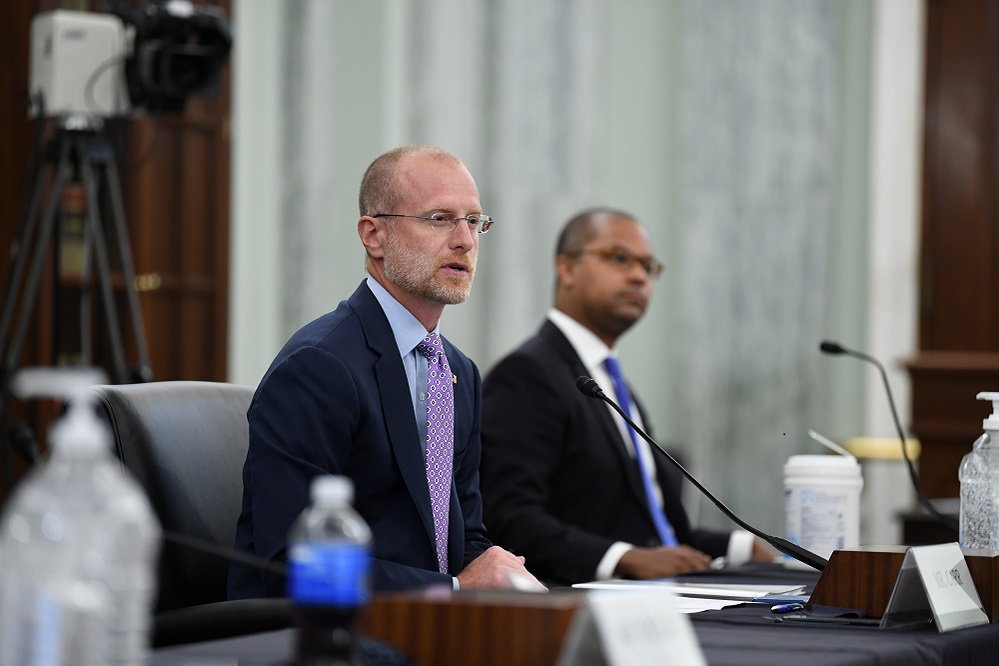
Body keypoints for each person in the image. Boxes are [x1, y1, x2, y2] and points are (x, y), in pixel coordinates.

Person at [228, 145, 544, 597]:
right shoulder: (319, 368)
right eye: (439, 219)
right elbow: (293, 565)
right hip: (321, 638)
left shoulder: (458, 372)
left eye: (474, 221)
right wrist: (454, 588)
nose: (465, 241)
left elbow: (465, 536)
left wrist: (500, 576)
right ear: (374, 235)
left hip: (431, 631)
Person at [480, 208, 773, 586]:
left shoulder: (611, 383)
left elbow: (663, 536)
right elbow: (511, 519)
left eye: (648, 267)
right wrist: (623, 558)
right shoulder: (527, 374)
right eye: (619, 258)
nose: (638, 276)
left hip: (663, 594)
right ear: (566, 269)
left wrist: (742, 546)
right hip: (578, 606)